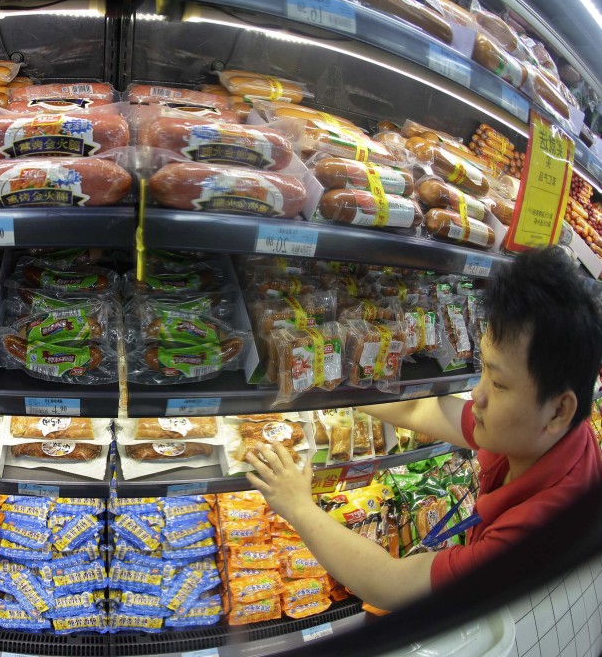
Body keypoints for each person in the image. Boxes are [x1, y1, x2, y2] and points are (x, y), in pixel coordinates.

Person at [248, 245, 602, 610]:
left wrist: (298, 506)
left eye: (498, 384)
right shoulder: (543, 434)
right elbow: (422, 408)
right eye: (483, 369)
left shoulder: (537, 535)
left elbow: (392, 584)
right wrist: (327, 382)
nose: (476, 396)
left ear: (560, 410)